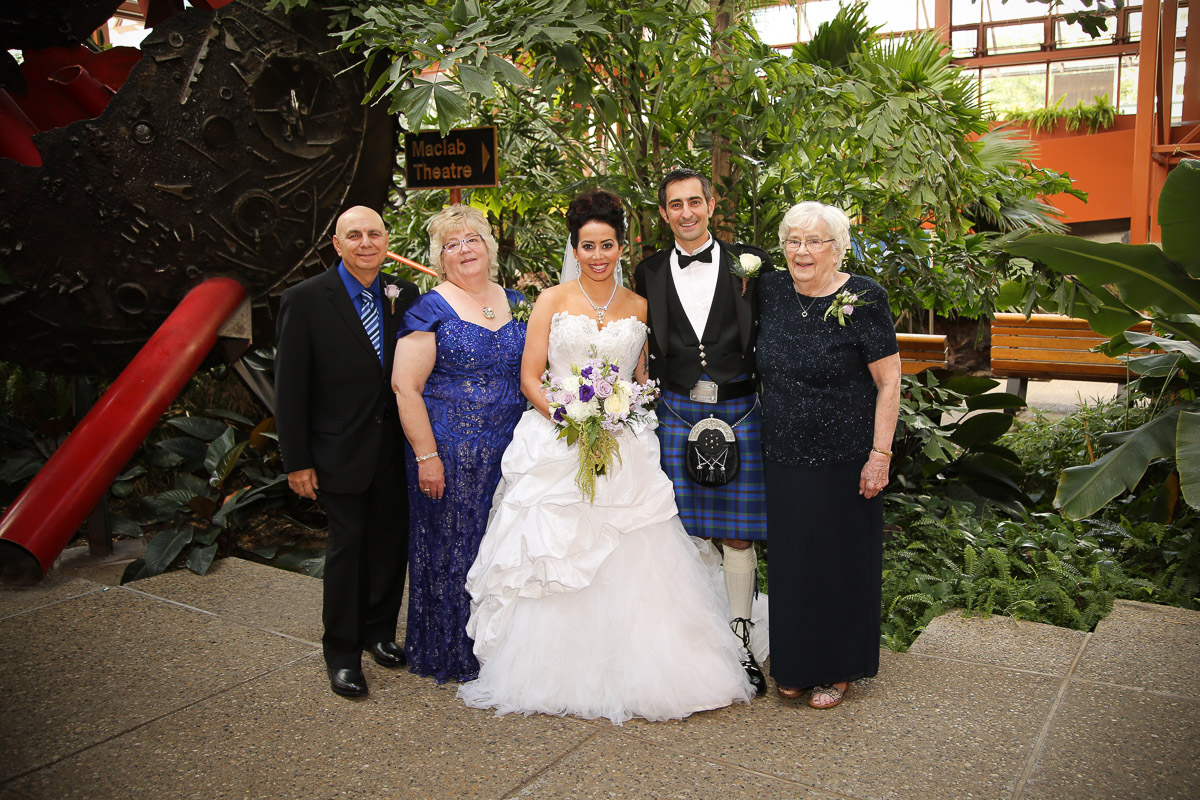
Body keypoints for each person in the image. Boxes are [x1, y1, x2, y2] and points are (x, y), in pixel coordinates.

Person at [457, 189, 754, 725]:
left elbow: (642, 379)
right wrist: (569, 419)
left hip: (624, 442)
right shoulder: (549, 300)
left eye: (608, 245)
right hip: (558, 438)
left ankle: (649, 666)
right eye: (588, 245)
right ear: (576, 248)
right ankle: (554, 669)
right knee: (557, 552)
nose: (599, 255)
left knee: (635, 553)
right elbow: (529, 377)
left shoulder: (638, 305)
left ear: (622, 247)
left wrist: (627, 410)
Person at [631, 168, 774, 695]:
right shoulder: (646, 271)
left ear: (711, 206)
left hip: (740, 410)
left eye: (695, 202)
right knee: (683, 530)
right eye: (675, 204)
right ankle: (698, 633)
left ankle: (740, 640)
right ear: (664, 213)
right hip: (675, 409)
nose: (686, 212)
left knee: (737, 533)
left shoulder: (750, 264)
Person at [758, 201, 901, 709]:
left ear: (837, 247)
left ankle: (838, 669)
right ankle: (796, 665)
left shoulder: (864, 296)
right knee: (794, 564)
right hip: (782, 454)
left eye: (815, 241)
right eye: (793, 240)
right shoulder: (770, 290)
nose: (802, 251)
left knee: (840, 562)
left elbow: (889, 381)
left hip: (845, 455)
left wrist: (879, 455)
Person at [275, 205, 418, 698]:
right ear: (337, 244)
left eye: (374, 234)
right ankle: (341, 653)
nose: (365, 243)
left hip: (395, 448)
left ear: (385, 240)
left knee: (389, 545)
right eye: (353, 236)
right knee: (348, 548)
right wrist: (297, 461)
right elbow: (289, 389)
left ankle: (379, 634)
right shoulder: (306, 299)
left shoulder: (404, 294)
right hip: (337, 451)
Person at [391, 205, 527, 683]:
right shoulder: (429, 308)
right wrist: (427, 456)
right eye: (452, 244)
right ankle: (452, 651)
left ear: (489, 246)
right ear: (440, 257)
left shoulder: (515, 300)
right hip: (448, 452)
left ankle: (501, 650)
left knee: (502, 548)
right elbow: (405, 387)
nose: (464, 249)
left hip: (510, 450)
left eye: (472, 239)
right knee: (453, 549)